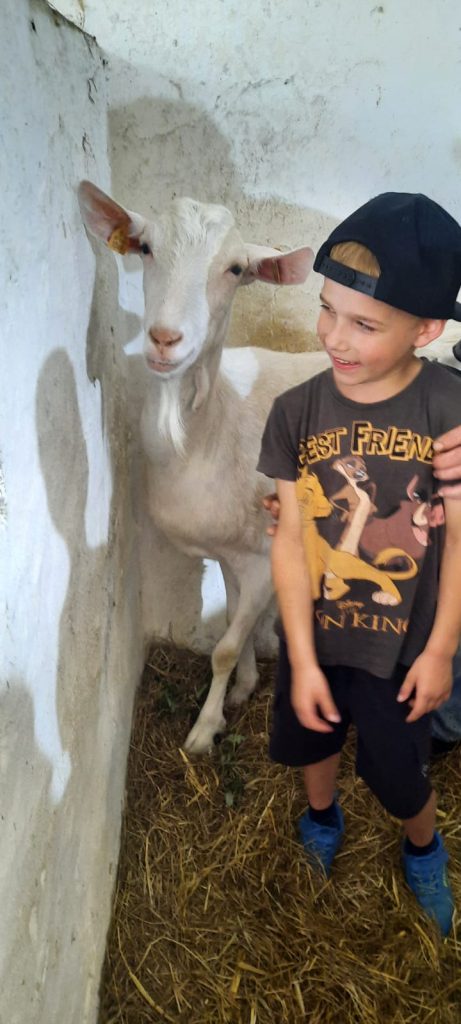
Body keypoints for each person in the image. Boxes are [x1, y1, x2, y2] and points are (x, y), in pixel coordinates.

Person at [257, 192, 461, 936]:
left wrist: (438, 651)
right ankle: (322, 815)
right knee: (311, 737)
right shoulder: (295, 413)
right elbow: (287, 540)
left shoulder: (447, 409)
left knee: (400, 770)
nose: (334, 338)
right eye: (327, 309)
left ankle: (423, 845)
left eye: (364, 324)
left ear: (425, 330)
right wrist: (300, 656)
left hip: (403, 647)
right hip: (316, 630)